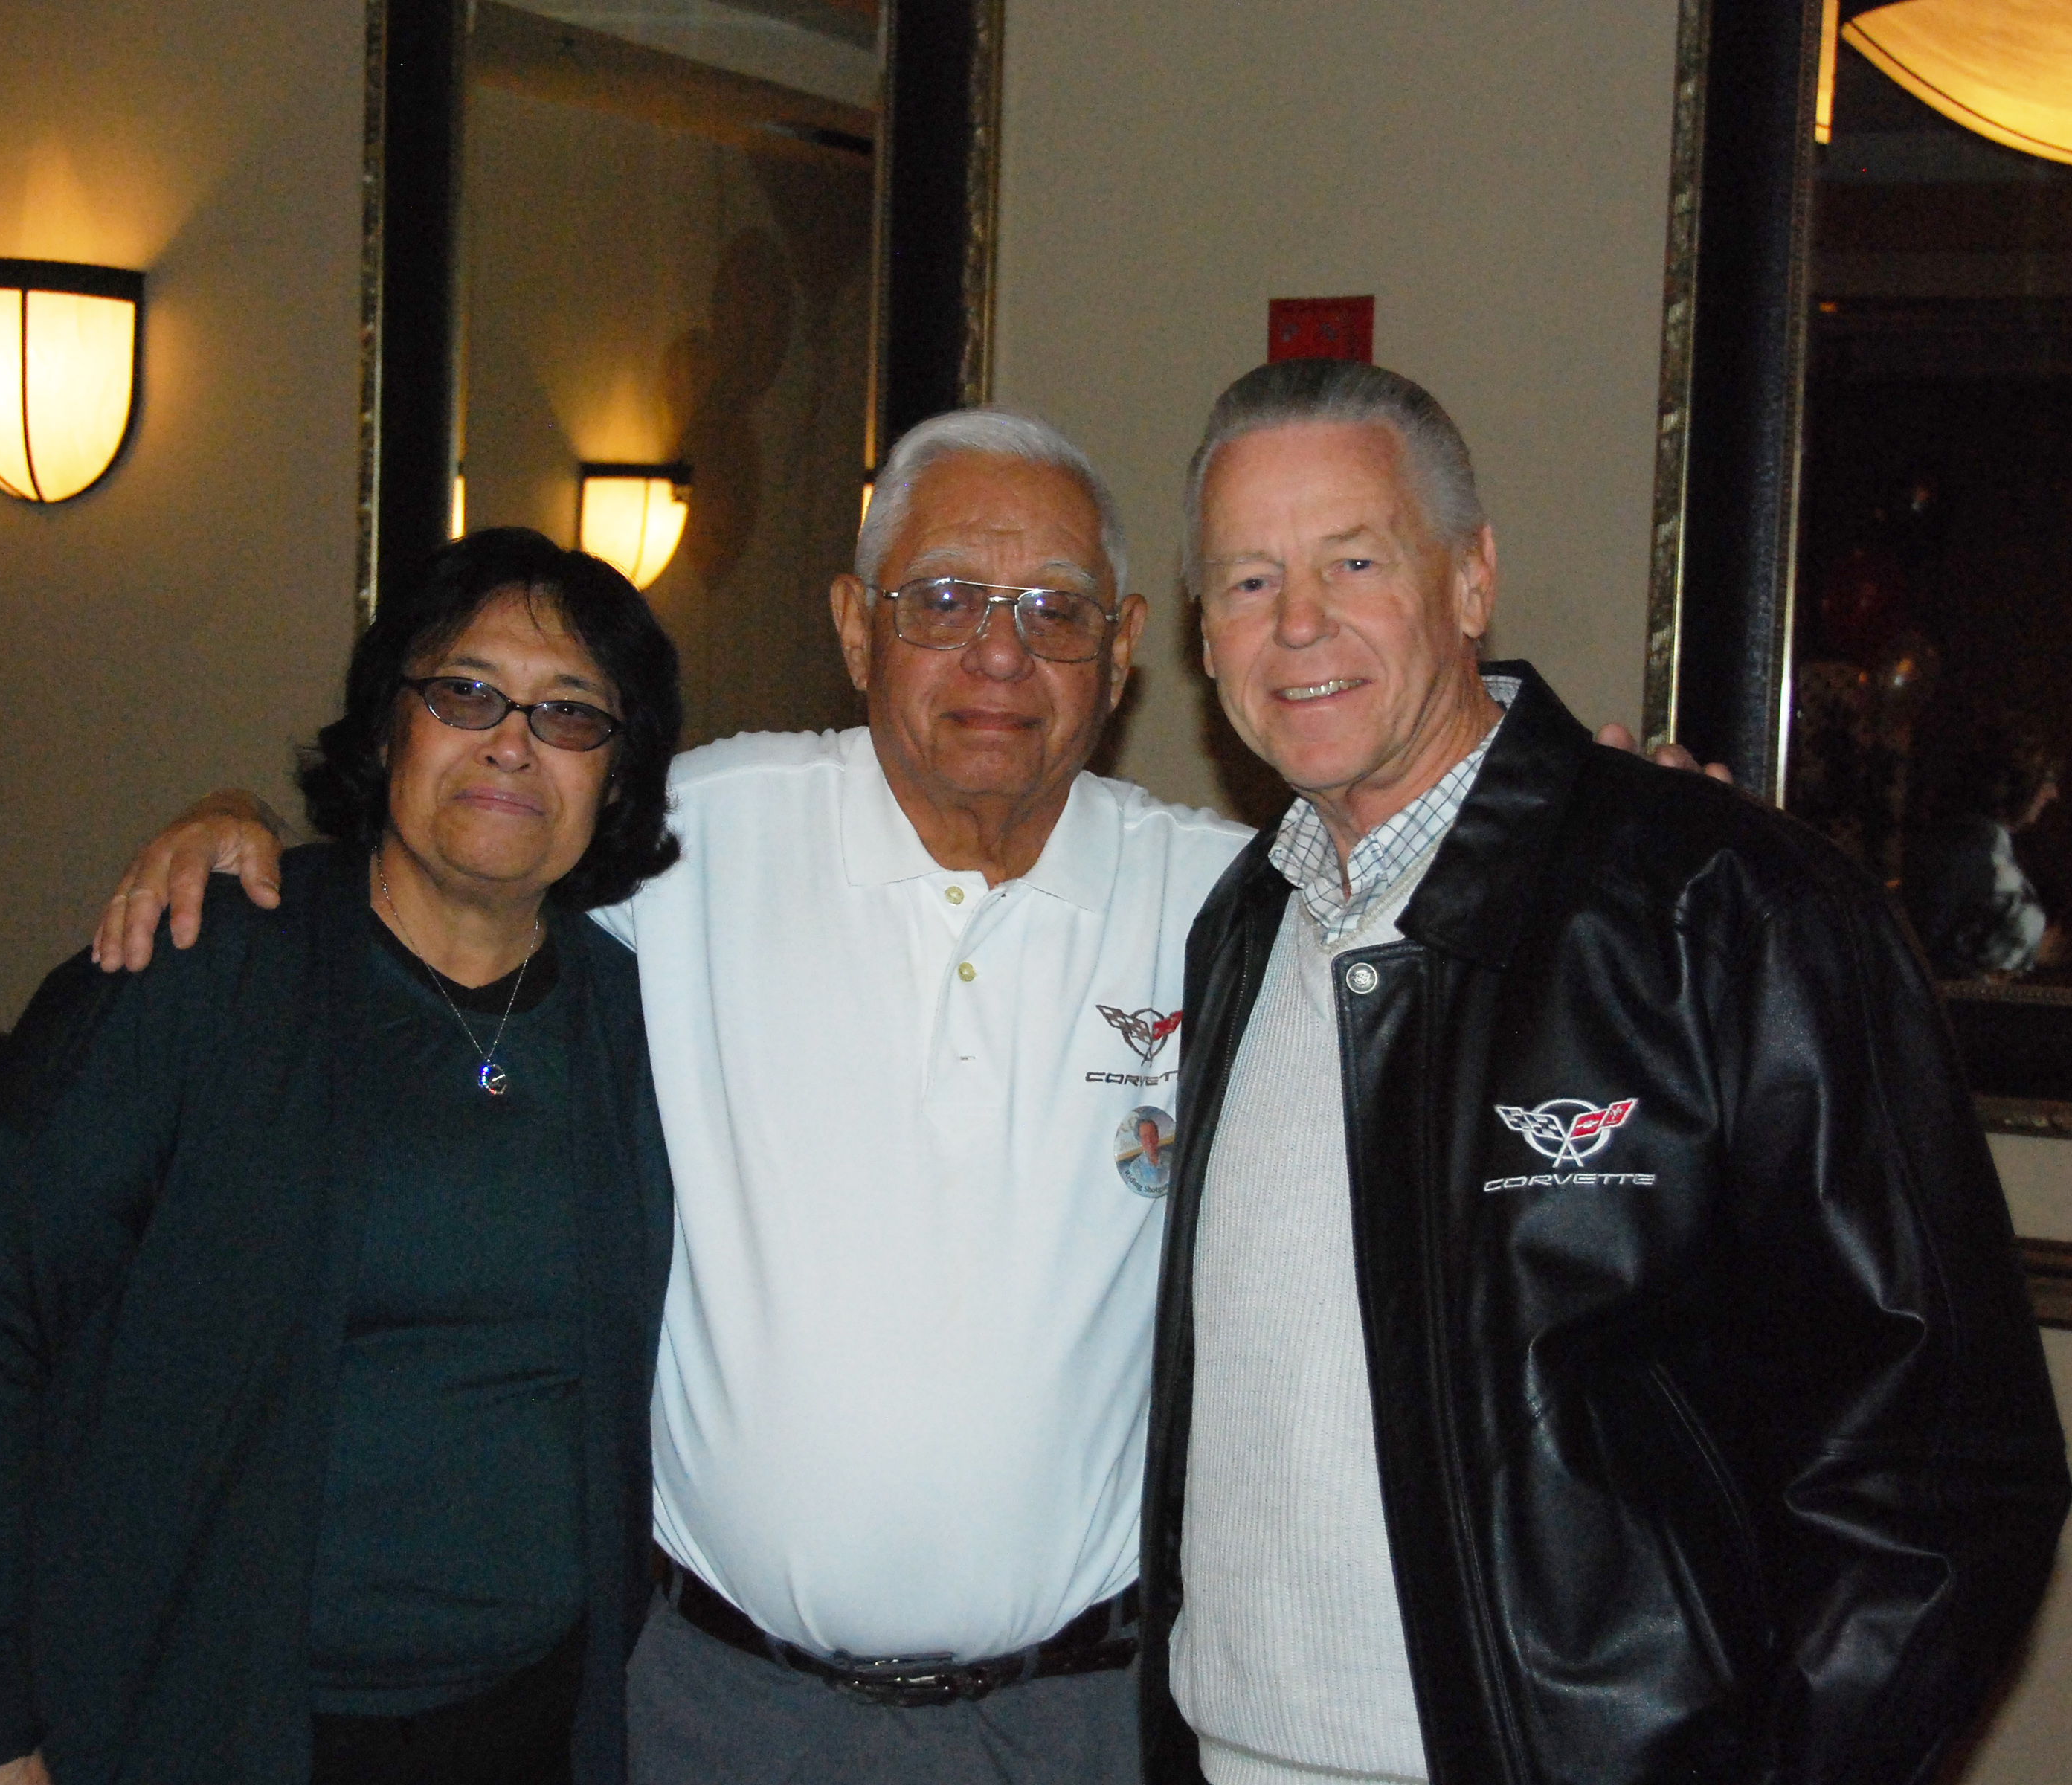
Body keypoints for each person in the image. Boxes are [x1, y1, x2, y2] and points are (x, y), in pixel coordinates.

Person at [93, 408, 1719, 1784]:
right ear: (856, 624)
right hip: (724, 1713)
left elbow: (1465, 890)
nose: (998, 655)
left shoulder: (1235, 903)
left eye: (1053, 609)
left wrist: (1611, 837)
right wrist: (242, 834)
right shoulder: (691, 842)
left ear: (1127, 647)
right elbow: (459, 840)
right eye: (942, 598)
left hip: (1081, 1720)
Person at [1140, 358, 2071, 1785]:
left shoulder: (1724, 909)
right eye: (1248, 580)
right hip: (1232, 1755)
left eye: (1355, 559)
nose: (1300, 622)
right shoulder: (1241, 929)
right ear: (1204, 634)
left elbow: (1944, 1473)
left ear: (1470, 580)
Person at [0, 530, 682, 1785]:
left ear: (618, 778)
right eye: (465, 694)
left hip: (532, 1724)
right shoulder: (200, 970)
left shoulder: (637, 1018)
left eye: (572, 716)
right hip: (210, 1720)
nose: (513, 742)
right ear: (384, 728)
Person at [1904, 727, 2064, 979]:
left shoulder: (1990, 844)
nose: (2053, 794)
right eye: (2048, 780)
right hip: (1962, 1009)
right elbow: (1926, 942)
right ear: (2021, 784)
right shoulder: (1971, 847)